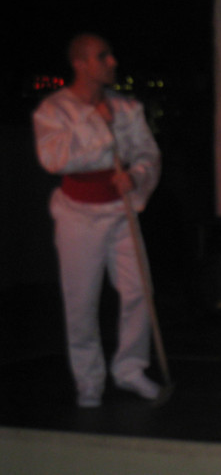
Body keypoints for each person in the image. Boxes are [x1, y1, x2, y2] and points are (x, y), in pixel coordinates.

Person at [33, 33, 162, 407]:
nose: (112, 62)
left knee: (139, 292)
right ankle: (89, 379)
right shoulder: (54, 110)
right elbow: (55, 159)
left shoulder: (126, 107)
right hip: (78, 217)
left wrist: (135, 176)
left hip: (120, 211)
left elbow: (148, 153)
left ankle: (130, 369)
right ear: (80, 64)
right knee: (81, 301)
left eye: (110, 55)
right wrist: (100, 131)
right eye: (103, 56)